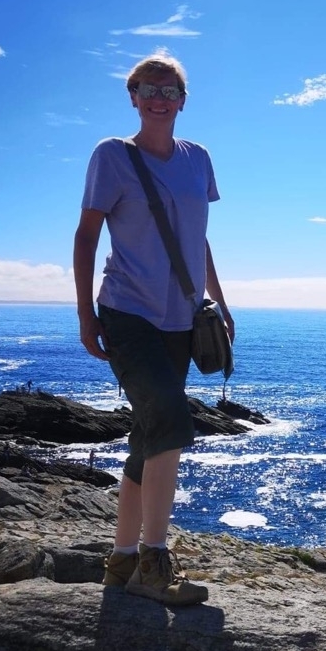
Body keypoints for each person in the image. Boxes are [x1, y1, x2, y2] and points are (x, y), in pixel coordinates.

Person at [73, 52, 234, 605]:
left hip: (182, 317)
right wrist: (85, 314)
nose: (159, 98)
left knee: (148, 438)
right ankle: (153, 564)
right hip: (128, 312)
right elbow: (86, 236)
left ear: (183, 101)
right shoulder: (112, 156)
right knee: (169, 422)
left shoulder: (198, 159)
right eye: (149, 89)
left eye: (169, 91)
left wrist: (218, 299)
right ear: (133, 97)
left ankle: (121, 561)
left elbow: (196, 236)